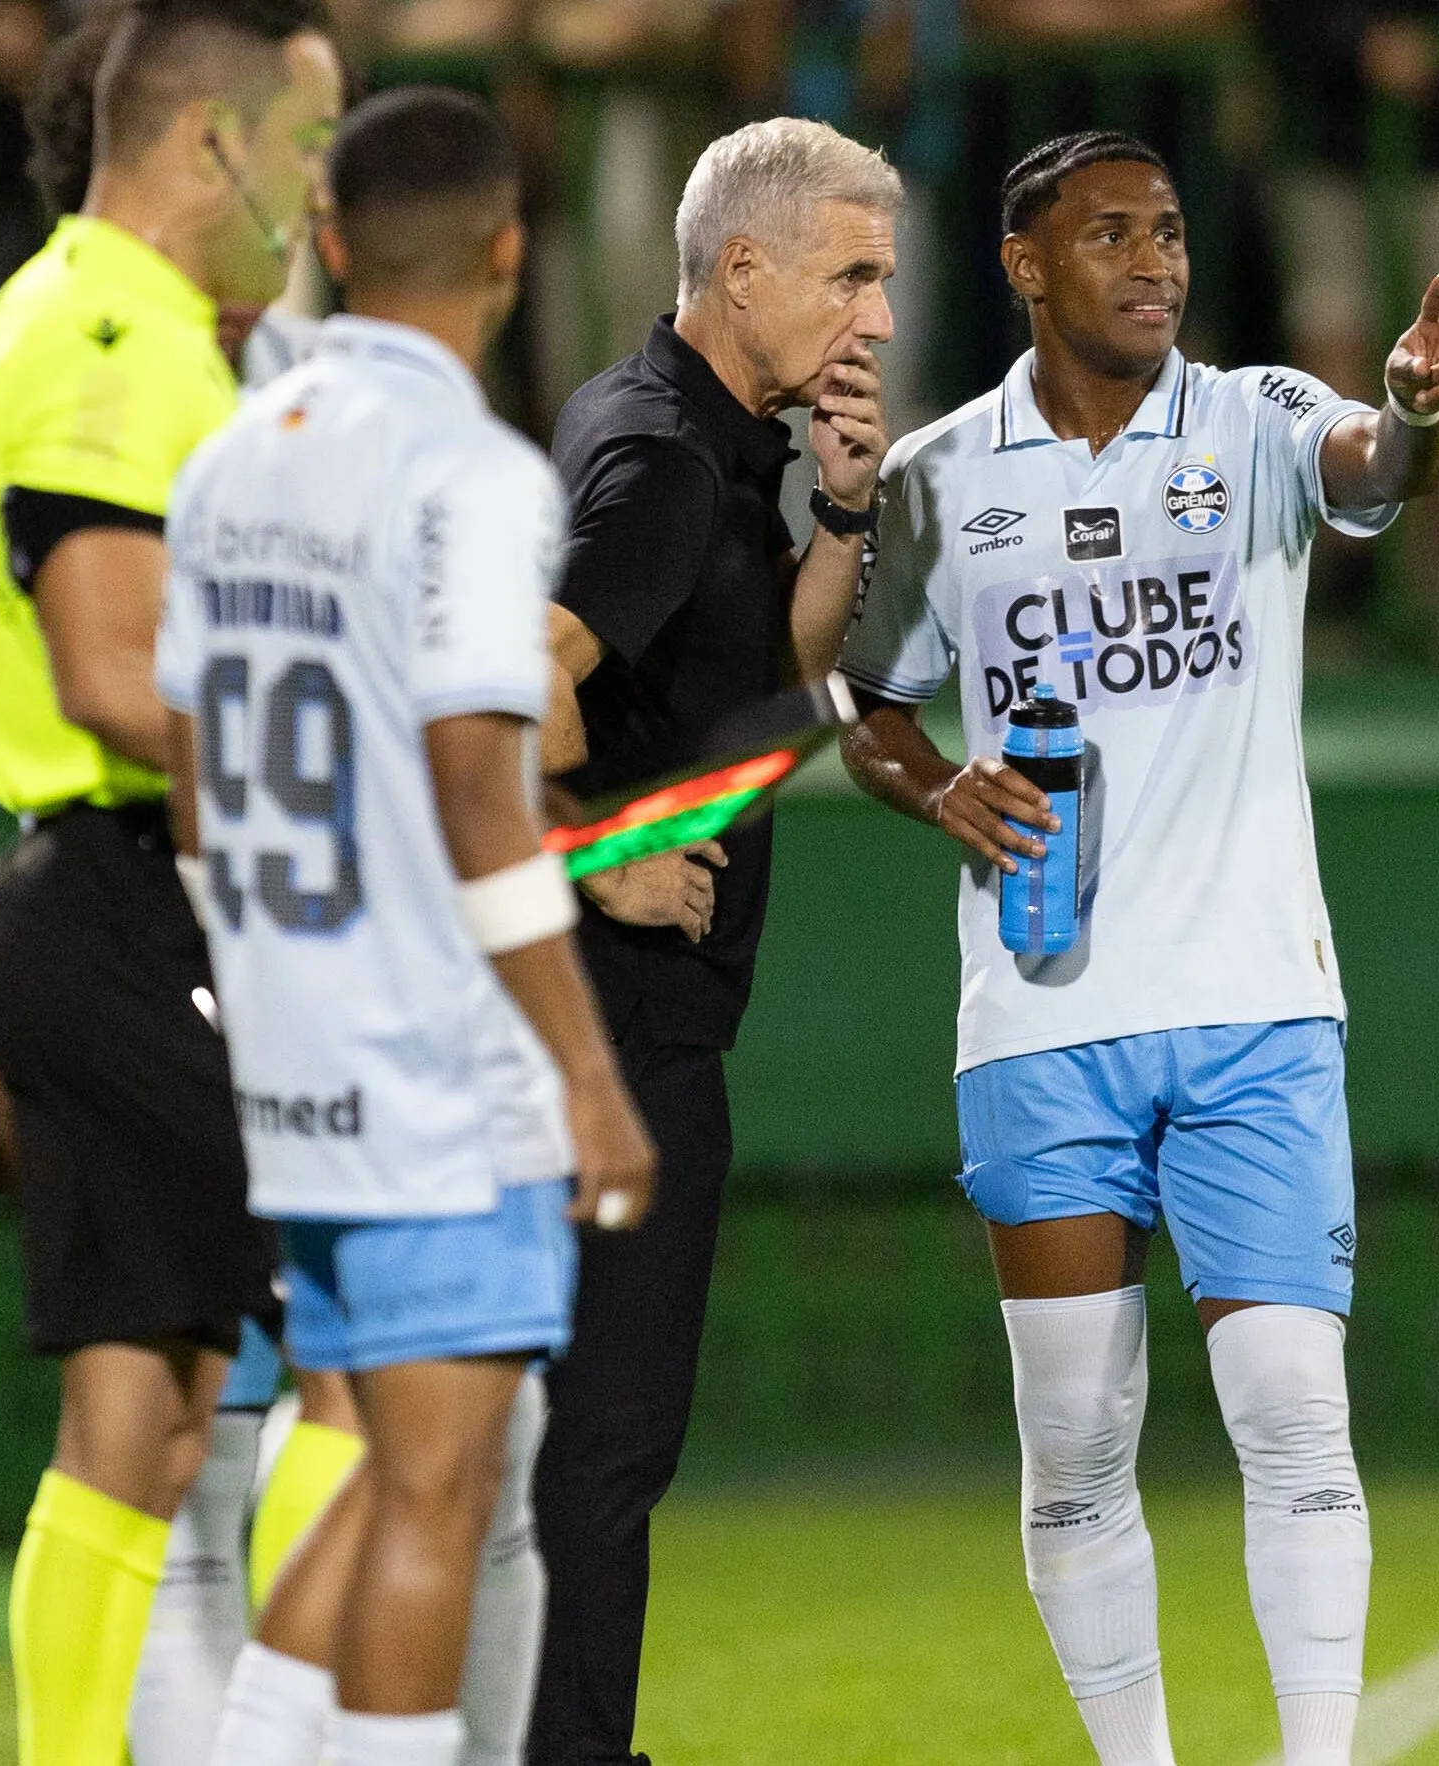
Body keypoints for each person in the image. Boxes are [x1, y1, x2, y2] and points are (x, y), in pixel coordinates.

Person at [833, 131, 1439, 1766]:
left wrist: (1405, 407)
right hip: (1045, 1017)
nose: (1155, 260)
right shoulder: (940, 474)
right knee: (1075, 1447)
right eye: (1109, 233)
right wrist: (938, 790)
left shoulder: (1253, 419)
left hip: (1259, 1004)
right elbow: (870, 700)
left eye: (1173, 231)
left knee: (1296, 1427)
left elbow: (1368, 474)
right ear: (1026, 265)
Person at [155, 85, 658, 1766]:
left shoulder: (227, 461)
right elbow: (474, 783)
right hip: (434, 1066)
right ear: (513, 252)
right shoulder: (473, 473)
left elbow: (188, 765)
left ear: (328, 241)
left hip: (292, 1048)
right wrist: (584, 1071)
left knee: (380, 1460)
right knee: (444, 1482)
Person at [0, 14, 362, 1759]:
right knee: (385, 1353)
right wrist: (357, 769)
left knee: (142, 1428)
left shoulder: (136, 324)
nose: (324, 193)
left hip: (118, 908)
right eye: (308, 149)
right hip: (141, 906)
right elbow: (105, 670)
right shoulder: (101, 334)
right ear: (217, 147)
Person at [526, 113, 895, 1766]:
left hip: (624, 1018)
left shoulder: (689, 429)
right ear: (739, 272)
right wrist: (589, 859)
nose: (877, 315)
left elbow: (768, 678)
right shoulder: (668, 463)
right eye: (850, 275)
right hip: (612, 1023)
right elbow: (517, 671)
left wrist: (842, 519)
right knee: (597, 1450)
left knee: (572, 1451)